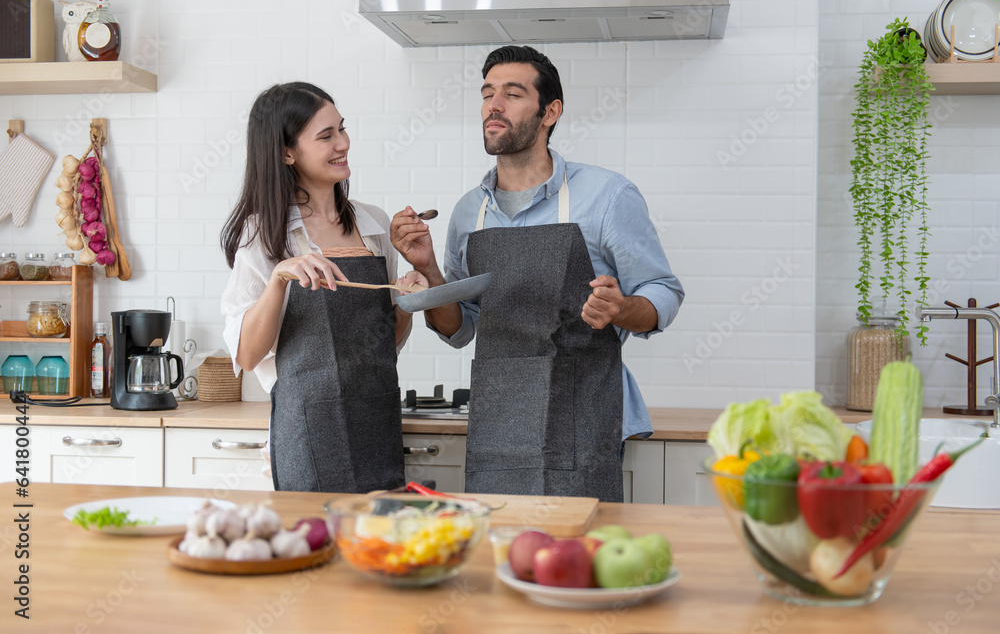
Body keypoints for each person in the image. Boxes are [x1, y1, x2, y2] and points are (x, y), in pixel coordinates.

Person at [391, 46, 684, 503]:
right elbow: (460, 326)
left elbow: (663, 293)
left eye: (512, 93)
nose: (494, 105)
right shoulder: (470, 212)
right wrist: (425, 267)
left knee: (575, 557)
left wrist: (622, 308)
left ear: (550, 112)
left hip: (583, 409)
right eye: (487, 93)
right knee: (501, 557)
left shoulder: (606, 196)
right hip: (499, 416)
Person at [220, 82, 426, 493]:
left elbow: (388, 342)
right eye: (326, 136)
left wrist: (406, 303)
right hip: (308, 429)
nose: (343, 143)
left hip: (376, 419)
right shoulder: (263, 234)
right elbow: (246, 355)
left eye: (342, 129)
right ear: (286, 152)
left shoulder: (373, 225)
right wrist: (280, 277)